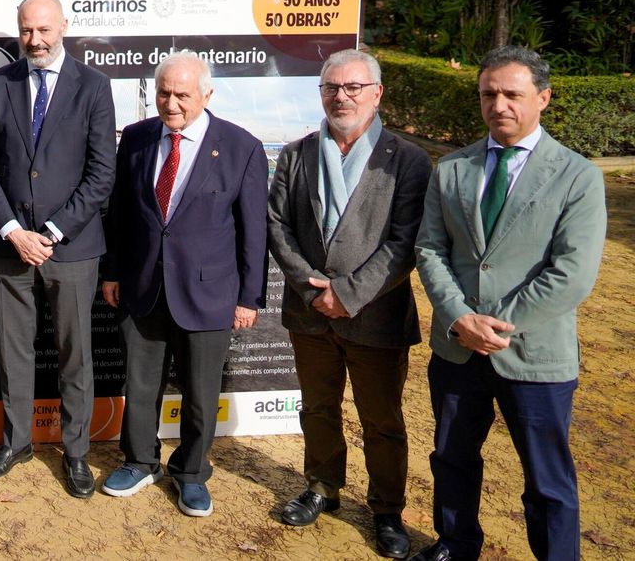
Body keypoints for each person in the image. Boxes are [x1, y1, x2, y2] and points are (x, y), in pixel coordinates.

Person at [410, 46, 606, 561]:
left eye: (512, 94)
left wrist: (494, 326)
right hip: (457, 350)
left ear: (542, 98)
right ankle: (455, 543)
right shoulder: (452, 168)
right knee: (452, 458)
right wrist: (458, 319)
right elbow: (430, 248)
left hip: (535, 355)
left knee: (547, 478)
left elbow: (572, 273)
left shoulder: (577, 176)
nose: (499, 105)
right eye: (488, 94)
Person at [268, 49, 431, 559]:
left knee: (381, 420)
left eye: (353, 87)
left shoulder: (407, 160)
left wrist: (350, 293)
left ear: (376, 93)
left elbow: (405, 242)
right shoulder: (297, 154)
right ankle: (322, 487)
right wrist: (312, 287)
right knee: (317, 408)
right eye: (331, 88)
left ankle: (387, 511)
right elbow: (277, 225)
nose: (342, 96)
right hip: (311, 312)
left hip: (376, 316)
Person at [99, 50, 268, 517]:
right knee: (140, 384)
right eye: (163, 93)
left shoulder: (241, 147)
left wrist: (249, 297)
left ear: (207, 95)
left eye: (182, 95)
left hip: (209, 295)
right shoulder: (134, 139)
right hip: (143, 288)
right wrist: (112, 270)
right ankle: (139, 461)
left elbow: (254, 230)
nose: (171, 103)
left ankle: (191, 472)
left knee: (199, 394)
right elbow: (120, 214)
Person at [0, 0, 116, 497]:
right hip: (9, 244)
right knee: (12, 352)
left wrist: (51, 233)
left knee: (75, 355)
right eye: (28, 30)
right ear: (19, 28)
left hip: (69, 249)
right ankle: (15, 441)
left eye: (45, 31)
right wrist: (13, 229)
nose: (35, 40)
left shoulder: (93, 87)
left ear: (63, 28)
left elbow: (101, 175)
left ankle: (76, 453)